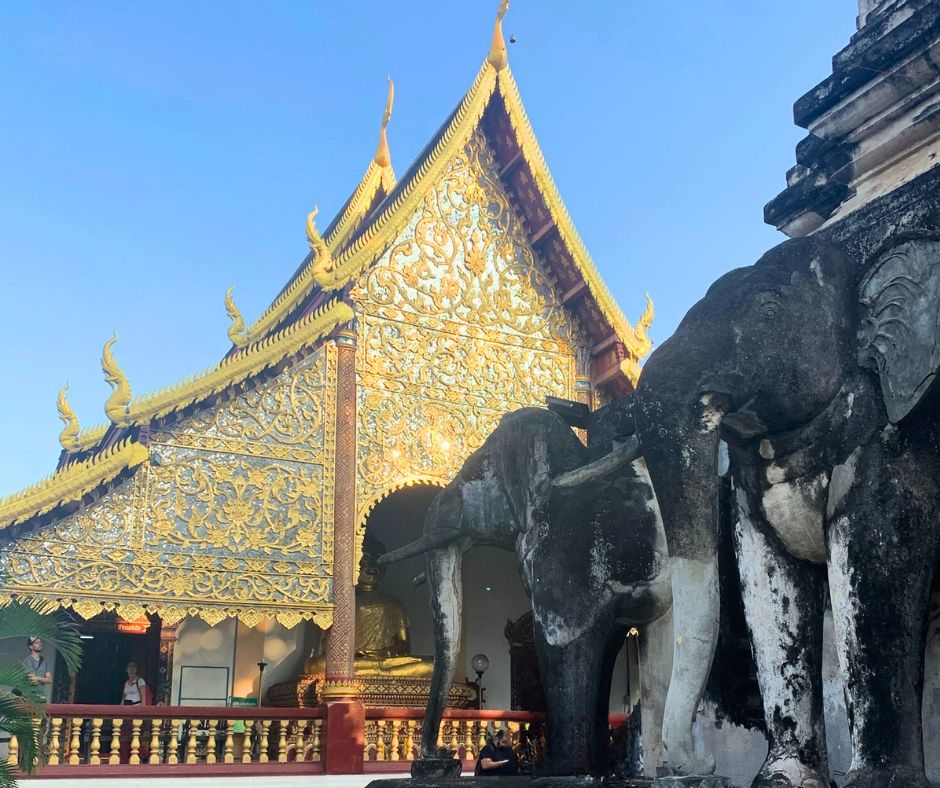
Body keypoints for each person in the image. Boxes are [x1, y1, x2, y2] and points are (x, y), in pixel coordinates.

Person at [22, 636, 52, 701]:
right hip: (29, 696)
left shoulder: (44, 660)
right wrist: (43, 679)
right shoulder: (27, 661)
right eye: (36, 642)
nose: (40, 644)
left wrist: (38, 678)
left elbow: (49, 680)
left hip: (41, 695)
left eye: (40, 642)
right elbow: (32, 680)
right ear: (31, 646)